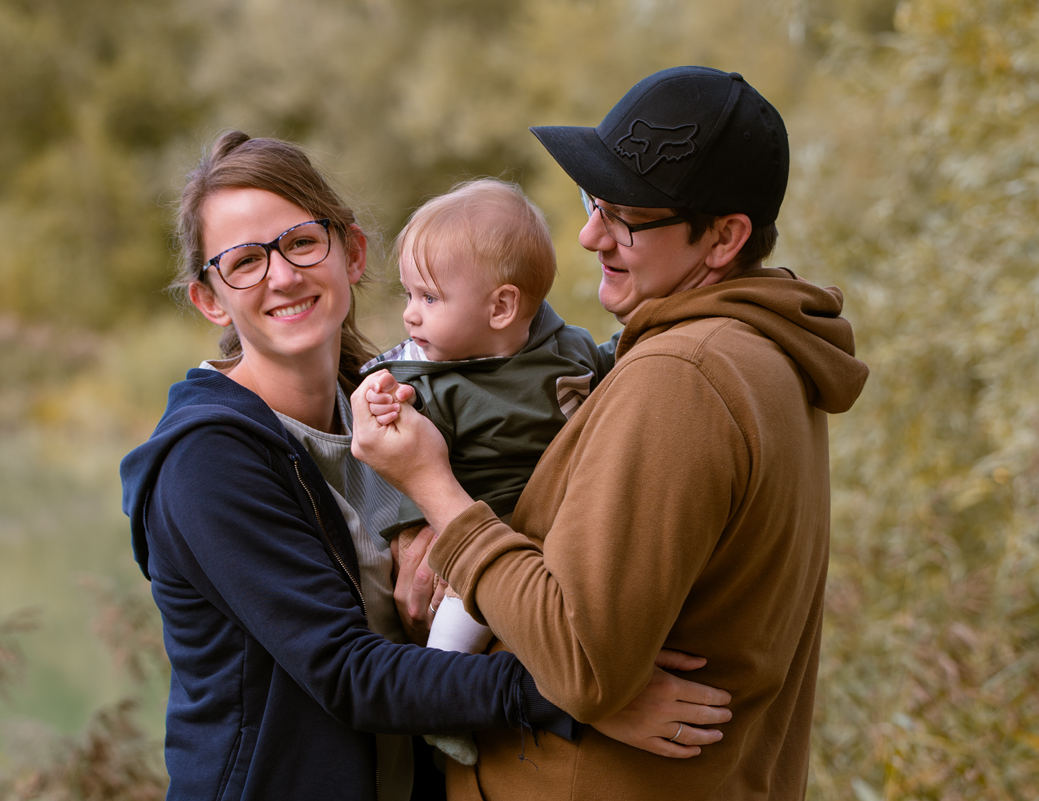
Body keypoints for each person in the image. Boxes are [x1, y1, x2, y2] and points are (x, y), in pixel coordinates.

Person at [119, 130, 734, 801]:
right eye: (244, 261)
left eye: (300, 242)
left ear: (352, 253)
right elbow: (347, 673)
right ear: (211, 299)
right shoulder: (206, 461)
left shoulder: (397, 405)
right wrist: (570, 692)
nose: (284, 275)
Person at [354, 66, 870, 799]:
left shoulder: (682, 376)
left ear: (724, 238)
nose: (590, 234)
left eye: (627, 218)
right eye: (594, 201)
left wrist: (431, 487)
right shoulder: (762, 354)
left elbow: (581, 664)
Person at [362, 177, 606, 766]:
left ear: (501, 307)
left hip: (562, 526)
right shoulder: (420, 382)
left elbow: (610, 369)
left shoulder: (565, 348)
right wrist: (414, 527)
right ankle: (442, 704)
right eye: (409, 294)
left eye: (429, 298)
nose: (409, 314)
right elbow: (397, 468)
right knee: (463, 610)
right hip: (481, 533)